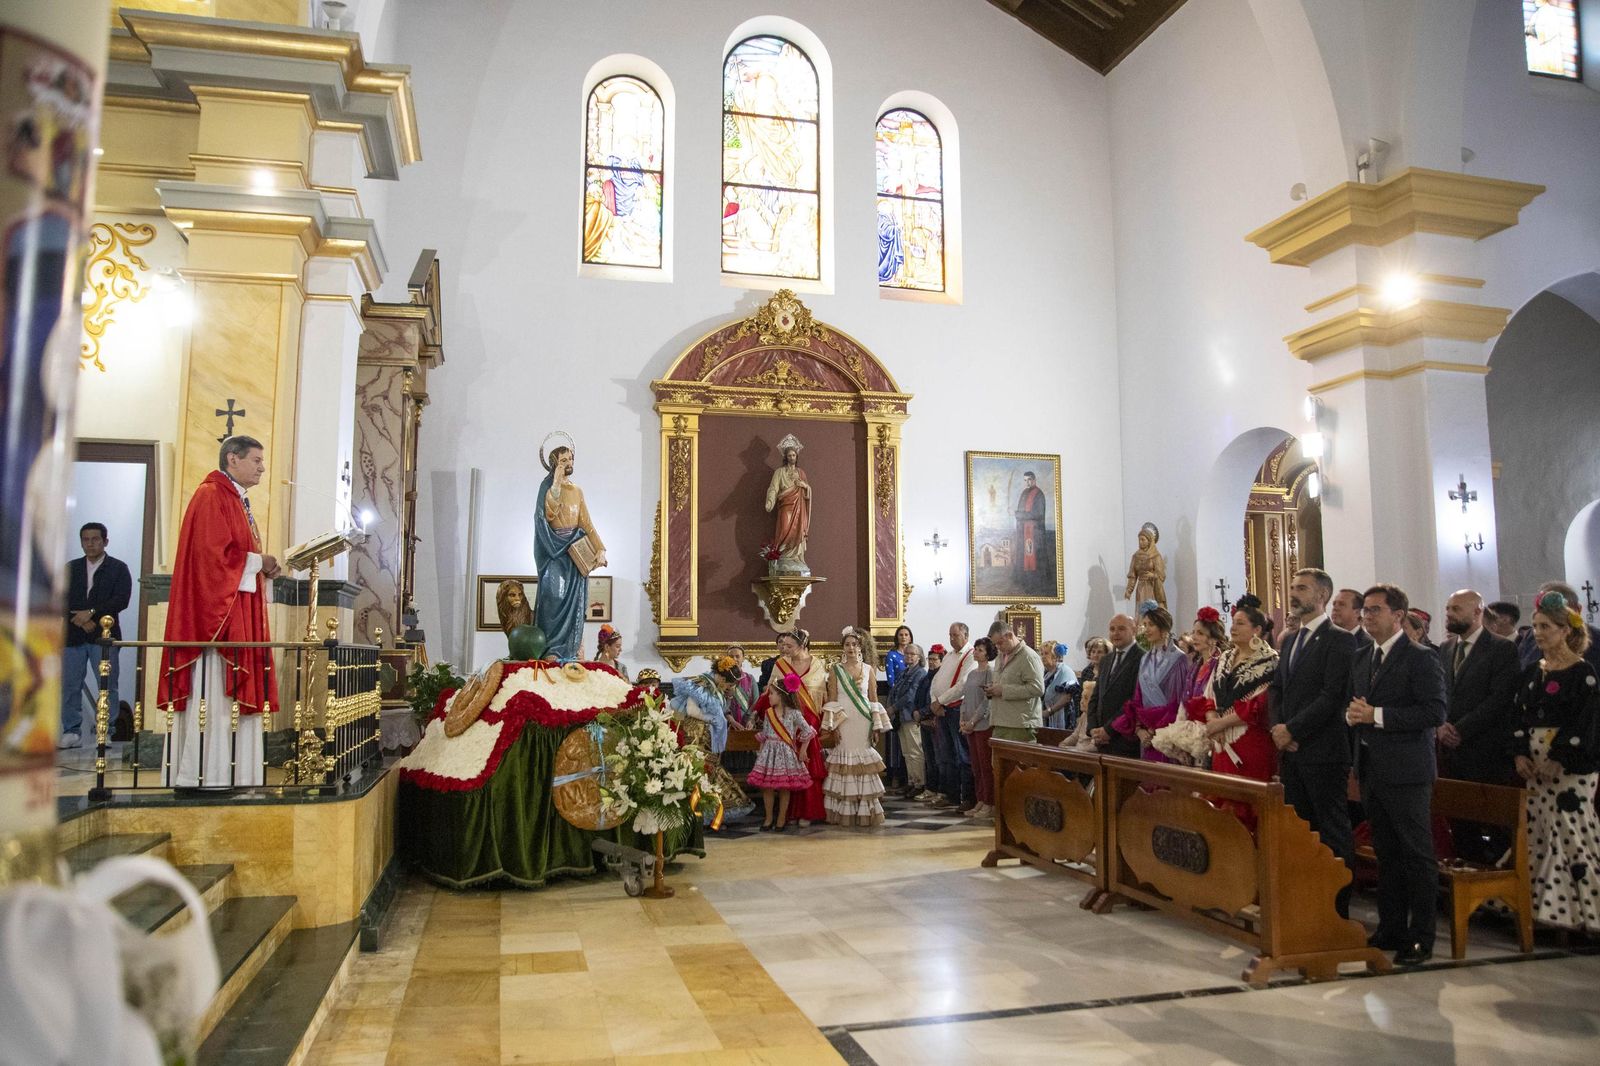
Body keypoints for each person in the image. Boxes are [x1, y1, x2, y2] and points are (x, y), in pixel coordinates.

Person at [158, 436, 279, 788]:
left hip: (237, 613)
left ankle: (235, 772)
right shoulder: (212, 495)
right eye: (256, 460)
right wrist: (259, 562)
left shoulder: (236, 499)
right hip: (217, 624)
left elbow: (235, 556)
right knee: (214, 697)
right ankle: (205, 774)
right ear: (232, 458)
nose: (262, 467)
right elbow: (212, 561)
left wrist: (263, 566)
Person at [1346, 583, 1448, 965]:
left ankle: (1422, 936)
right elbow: (1357, 706)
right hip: (1372, 768)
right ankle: (1390, 927)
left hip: (1407, 771)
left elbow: (1434, 712)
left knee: (1416, 855)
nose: (1366, 616)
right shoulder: (1362, 657)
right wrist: (1354, 716)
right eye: (1365, 611)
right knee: (1387, 853)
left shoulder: (1420, 658)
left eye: (1374, 610)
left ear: (1398, 616)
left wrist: (1378, 716)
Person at [1268, 567, 1357, 915]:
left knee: (1332, 830)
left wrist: (1293, 730)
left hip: (1323, 751)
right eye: (1292, 586)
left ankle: (1337, 910)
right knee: (1301, 830)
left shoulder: (1339, 639)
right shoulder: (1290, 639)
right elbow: (1277, 689)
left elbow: (1333, 695)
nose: (1294, 592)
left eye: (1302, 588)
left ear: (1322, 596)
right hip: (1290, 752)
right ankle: (1308, 904)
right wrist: (1278, 727)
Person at [1512, 591, 1600, 936]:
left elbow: (1586, 721)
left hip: (1570, 768)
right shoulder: (1534, 670)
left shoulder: (1583, 673)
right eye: (1535, 627)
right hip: (1534, 765)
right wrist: (1520, 751)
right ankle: (1544, 910)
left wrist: (1559, 757)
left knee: (1571, 829)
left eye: (1546, 627)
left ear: (1565, 630)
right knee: (1542, 830)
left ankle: (1586, 914)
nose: (1538, 633)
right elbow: (1518, 714)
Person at [1201, 604, 1280, 823]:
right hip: (1221, 743)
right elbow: (1209, 696)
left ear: (1256, 630)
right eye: (1233, 622)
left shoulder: (1270, 662)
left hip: (1250, 743)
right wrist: (1212, 720)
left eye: (1240, 623)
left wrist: (1221, 723)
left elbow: (1261, 705)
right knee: (1221, 805)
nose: (1233, 627)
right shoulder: (1225, 658)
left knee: (1247, 807)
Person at [59, 522, 132, 749]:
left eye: (95, 539)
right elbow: (60, 597)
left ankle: (106, 731)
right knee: (70, 686)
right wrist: (79, 619)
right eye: (85, 540)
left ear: (105, 541)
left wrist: (91, 614)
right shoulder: (71, 568)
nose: (90, 544)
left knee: (107, 685)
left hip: (104, 636)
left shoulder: (118, 568)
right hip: (73, 636)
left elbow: (120, 600)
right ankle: (72, 731)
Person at [533, 436, 607, 660]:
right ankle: (551, 650)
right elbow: (548, 514)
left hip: (575, 551)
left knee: (576, 603)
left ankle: (570, 650)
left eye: (570, 458)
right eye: (563, 460)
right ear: (555, 464)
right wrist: (555, 482)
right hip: (554, 550)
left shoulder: (577, 491)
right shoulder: (547, 487)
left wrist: (600, 549)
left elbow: (586, 524)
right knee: (553, 598)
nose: (568, 463)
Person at [821, 627, 891, 826]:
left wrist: (876, 726)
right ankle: (844, 812)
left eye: (854, 644)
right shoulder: (835, 669)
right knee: (845, 760)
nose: (851, 648)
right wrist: (832, 727)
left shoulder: (869, 669)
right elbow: (833, 698)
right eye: (847, 644)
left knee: (862, 761)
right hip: (844, 721)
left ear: (860, 646)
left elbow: (873, 698)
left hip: (863, 721)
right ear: (842, 648)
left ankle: (865, 811)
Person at [668, 656, 749, 820]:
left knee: (710, 768)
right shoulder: (700, 684)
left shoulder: (716, 687)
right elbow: (691, 710)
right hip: (695, 734)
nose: (728, 687)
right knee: (698, 769)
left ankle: (713, 813)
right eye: (727, 683)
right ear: (720, 676)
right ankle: (699, 813)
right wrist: (711, 719)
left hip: (707, 734)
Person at [1109, 607, 1193, 762]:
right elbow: (1138, 697)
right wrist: (1140, 729)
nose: (1146, 629)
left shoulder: (1178, 659)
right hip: (1146, 732)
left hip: (1167, 731)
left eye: (1151, 625)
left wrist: (1156, 729)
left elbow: (1178, 701)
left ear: (1164, 628)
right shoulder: (1145, 658)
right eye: (1144, 625)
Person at [771, 628, 829, 825]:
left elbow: (824, 695)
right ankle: (790, 813)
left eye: (789, 645)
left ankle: (808, 812)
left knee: (807, 765)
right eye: (783, 645)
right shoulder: (781, 664)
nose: (785, 649)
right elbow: (771, 691)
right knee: (789, 767)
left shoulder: (818, 664)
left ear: (802, 644)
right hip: (787, 721)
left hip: (811, 720)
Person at [747, 674, 817, 833]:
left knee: (785, 788)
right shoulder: (768, 713)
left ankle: (781, 818)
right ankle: (768, 817)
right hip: (769, 754)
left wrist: (803, 750)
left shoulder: (794, 713)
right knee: (767, 788)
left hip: (786, 754)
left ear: (782, 695)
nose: (769, 696)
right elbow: (765, 735)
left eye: (771, 693)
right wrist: (760, 754)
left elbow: (808, 731)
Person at [928, 622, 980, 811]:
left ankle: (967, 797)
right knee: (945, 755)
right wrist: (936, 702)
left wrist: (940, 701)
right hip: (942, 709)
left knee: (962, 755)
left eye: (955, 635)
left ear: (965, 635)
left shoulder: (971, 656)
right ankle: (950, 795)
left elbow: (962, 685)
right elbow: (936, 680)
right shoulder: (949, 656)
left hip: (957, 710)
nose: (951, 639)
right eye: (950, 635)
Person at [1088, 614, 1143, 759]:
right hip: (1101, 739)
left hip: (1124, 739)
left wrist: (1109, 730)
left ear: (1134, 630)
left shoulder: (1142, 658)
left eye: (1121, 629)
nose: (1115, 633)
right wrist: (1093, 728)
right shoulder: (1106, 659)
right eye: (1112, 629)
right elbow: (1096, 697)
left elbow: (1132, 699)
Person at [1517, 582, 1600, 674]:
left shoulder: (1596, 641)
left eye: (1557, 613)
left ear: (1577, 610)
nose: (1538, 633)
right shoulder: (1530, 637)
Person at [985, 624, 1045, 744]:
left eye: (1000, 643)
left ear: (1010, 635)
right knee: (998, 761)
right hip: (1001, 720)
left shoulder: (1028, 656)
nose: (998, 647)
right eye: (995, 644)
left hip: (1019, 723)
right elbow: (1003, 681)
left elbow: (1037, 688)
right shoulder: (1000, 657)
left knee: (1019, 762)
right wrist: (992, 688)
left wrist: (1003, 690)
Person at [959, 637, 998, 819]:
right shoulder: (973, 674)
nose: (975, 652)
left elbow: (986, 702)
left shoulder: (990, 672)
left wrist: (973, 721)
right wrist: (962, 719)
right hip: (969, 725)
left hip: (983, 725)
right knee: (975, 765)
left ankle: (990, 803)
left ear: (988, 653)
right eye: (975, 649)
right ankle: (980, 799)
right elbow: (966, 698)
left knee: (985, 766)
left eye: (980, 650)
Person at [763, 434, 811, 573]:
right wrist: (770, 501)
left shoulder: (801, 473)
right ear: (785, 457)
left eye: (794, 455)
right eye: (789, 455)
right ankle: (783, 555)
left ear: (797, 457)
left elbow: (808, 491)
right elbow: (773, 488)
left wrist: (804, 485)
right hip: (786, 505)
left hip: (799, 507)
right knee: (784, 528)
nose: (792, 458)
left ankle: (795, 556)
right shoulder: (779, 472)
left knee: (798, 531)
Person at [890, 642, 927, 799]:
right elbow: (894, 691)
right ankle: (911, 781)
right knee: (906, 752)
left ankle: (920, 783)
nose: (909, 657)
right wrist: (890, 707)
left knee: (915, 752)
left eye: (912, 654)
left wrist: (894, 708)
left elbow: (910, 695)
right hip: (901, 717)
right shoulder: (904, 673)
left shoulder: (919, 673)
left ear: (919, 657)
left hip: (911, 716)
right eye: (906, 654)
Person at [913, 644, 944, 803]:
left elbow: (937, 700)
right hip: (923, 721)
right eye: (930, 659)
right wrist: (917, 712)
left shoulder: (941, 677)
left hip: (934, 720)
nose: (931, 662)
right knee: (928, 757)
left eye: (935, 660)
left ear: (941, 661)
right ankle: (930, 788)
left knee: (937, 758)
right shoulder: (926, 677)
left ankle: (938, 789)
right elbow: (919, 696)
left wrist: (925, 712)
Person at [1124, 522, 1166, 610]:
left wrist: (1153, 575)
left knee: (1152, 612)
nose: (1140, 542)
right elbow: (1133, 575)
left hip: (1153, 588)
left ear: (1149, 541)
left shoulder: (1156, 556)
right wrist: (1129, 590)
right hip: (1141, 588)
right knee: (1141, 612)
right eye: (1139, 540)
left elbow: (1162, 576)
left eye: (1143, 540)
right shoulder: (1136, 556)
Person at [1041, 642, 1078, 731]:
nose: (1042, 657)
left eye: (1046, 653)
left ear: (1056, 656)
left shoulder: (1065, 671)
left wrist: (1050, 711)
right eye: (1041, 654)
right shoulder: (1046, 673)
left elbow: (1068, 696)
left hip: (1063, 715)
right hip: (1047, 715)